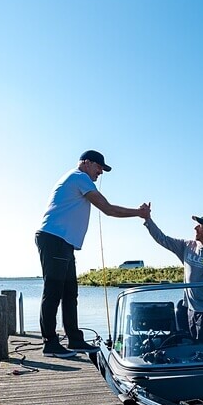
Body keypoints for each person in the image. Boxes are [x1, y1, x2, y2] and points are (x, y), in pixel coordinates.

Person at [36, 150, 148, 358]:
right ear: (86, 163)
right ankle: (50, 343)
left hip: (63, 243)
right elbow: (107, 208)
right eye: (99, 167)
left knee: (70, 294)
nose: (100, 173)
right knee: (53, 292)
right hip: (54, 239)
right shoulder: (79, 177)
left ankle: (75, 340)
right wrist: (138, 213)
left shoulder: (77, 178)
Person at [140, 207, 203, 344]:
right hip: (190, 311)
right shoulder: (186, 246)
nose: (195, 228)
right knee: (191, 351)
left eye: (200, 226)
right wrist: (147, 219)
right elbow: (162, 239)